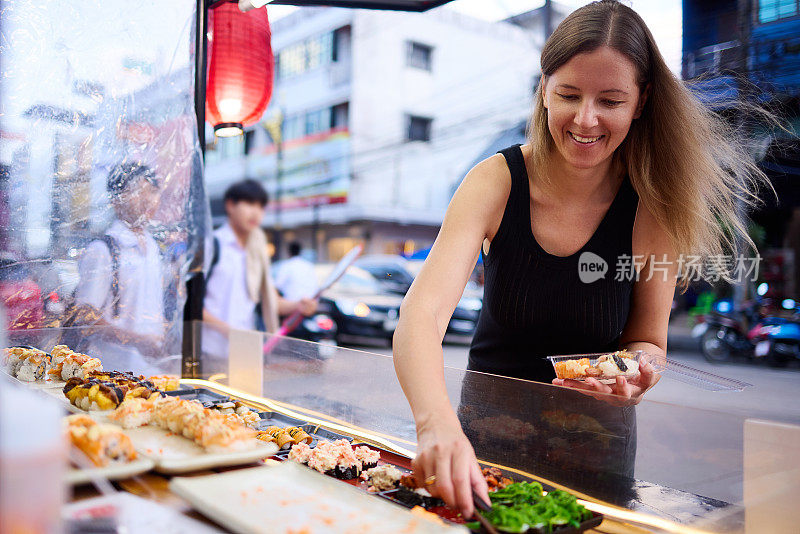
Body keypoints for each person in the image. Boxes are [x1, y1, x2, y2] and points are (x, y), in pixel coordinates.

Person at [392, 0, 770, 518]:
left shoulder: (651, 206)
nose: (586, 119)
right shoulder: (495, 181)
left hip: (598, 455)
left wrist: (634, 374)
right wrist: (435, 425)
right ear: (544, 89)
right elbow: (422, 313)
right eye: (569, 95)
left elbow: (649, 341)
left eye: (610, 101)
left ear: (640, 103)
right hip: (483, 446)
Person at [203, 180, 316, 361]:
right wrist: (228, 331)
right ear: (230, 205)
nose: (256, 212)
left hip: (245, 354)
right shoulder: (212, 245)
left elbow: (272, 301)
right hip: (208, 351)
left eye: (260, 206)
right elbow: (191, 304)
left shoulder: (257, 253)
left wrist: (299, 306)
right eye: (249, 204)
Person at [71, 162, 166, 374]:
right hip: (110, 374)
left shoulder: (153, 248)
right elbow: (85, 317)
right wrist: (138, 341)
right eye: (136, 191)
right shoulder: (103, 250)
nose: (147, 199)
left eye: (152, 191)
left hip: (151, 372)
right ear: (115, 200)